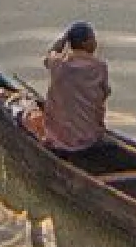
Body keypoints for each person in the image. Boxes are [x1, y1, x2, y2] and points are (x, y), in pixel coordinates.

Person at [28, 20, 110, 154]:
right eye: (92, 39)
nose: (96, 42)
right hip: (91, 138)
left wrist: (63, 39)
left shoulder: (59, 63)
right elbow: (104, 94)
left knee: (29, 117)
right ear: (85, 43)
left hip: (59, 141)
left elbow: (50, 54)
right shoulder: (100, 67)